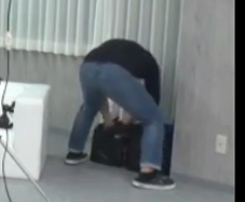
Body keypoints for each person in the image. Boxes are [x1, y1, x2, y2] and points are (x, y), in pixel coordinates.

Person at [64, 38, 175, 190]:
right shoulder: (151, 66)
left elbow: (101, 94)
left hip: (87, 67)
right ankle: (148, 174)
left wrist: (108, 120)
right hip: (113, 71)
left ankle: (74, 153)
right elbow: (151, 104)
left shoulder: (123, 51)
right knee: (154, 118)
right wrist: (129, 120)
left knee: (89, 106)